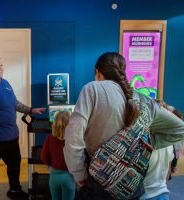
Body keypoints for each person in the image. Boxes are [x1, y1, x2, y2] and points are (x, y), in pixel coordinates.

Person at [63, 52, 184, 200]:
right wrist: (143, 146)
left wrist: (78, 172)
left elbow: (73, 136)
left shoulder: (93, 89)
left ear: (97, 72)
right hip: (132, 185)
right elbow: (180, 129)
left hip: (99, 180)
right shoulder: (144, 100)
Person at [0, 54, 46, 200]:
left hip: (11, 136)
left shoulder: (5, 83)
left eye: (1, 65)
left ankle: (14, 190)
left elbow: (14, 103)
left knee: (14, 166)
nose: (0, 68)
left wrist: (30, 110)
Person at [41, 111, 76, 200]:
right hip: (69, 177)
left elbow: (44, 156)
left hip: (54, 177)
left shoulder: (49, 138)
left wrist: (50, 166)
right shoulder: (74, 140)